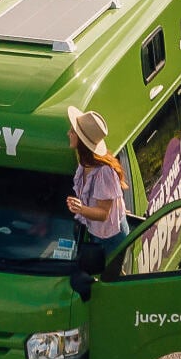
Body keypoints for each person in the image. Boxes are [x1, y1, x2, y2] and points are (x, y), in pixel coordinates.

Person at [65, 106, 129, 259]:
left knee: (108, 271)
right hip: (96, 230)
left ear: (82, 141)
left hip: (110, 236)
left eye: (72, 131)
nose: (68, 134)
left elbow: (103, 214)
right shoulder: (84, 163)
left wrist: (81, 209)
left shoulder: (104, 172)